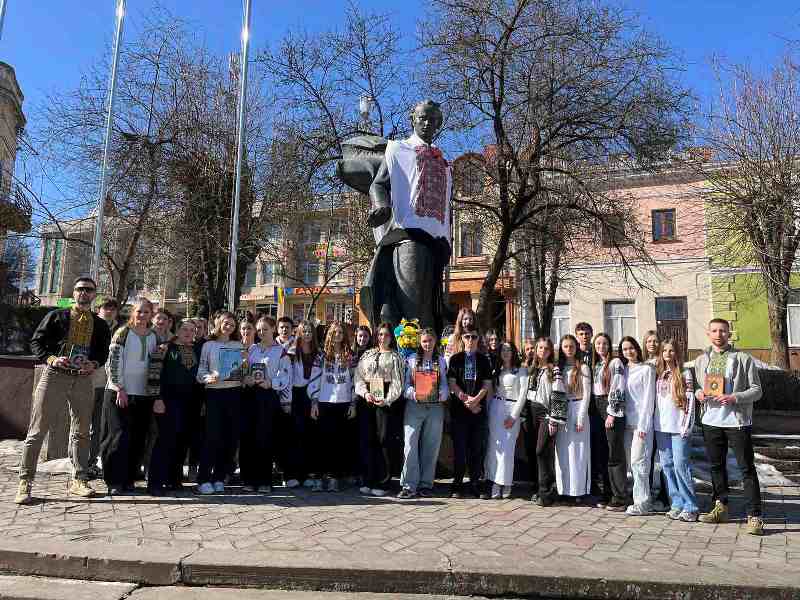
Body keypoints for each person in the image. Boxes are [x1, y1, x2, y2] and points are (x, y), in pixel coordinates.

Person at [16, 277, 111, 505]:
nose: (84, 293)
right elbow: (36, 342)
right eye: (80, 289)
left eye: (89, 290)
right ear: (74, 292)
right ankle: (25, 482)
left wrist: (94, 364)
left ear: (94, 295)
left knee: (81, 432)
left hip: (82, 379)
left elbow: (102, 352)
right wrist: (51, 359)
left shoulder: (99, 324)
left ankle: (80, 479)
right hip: (54, 376)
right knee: (38, 430)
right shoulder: (57, 316)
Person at [361, 99, 453, 331]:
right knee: (415, 312)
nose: (427, 123)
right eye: (422, 118)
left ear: (439, 124)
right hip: (409, 239)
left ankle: (425, 362)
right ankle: (412, 359)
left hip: (435, 244)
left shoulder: (444, 163)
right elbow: (378, 185)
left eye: (432, 119)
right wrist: (382, 206)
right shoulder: (399, 149)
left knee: (430, 312)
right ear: (412, 119)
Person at [694, 318, 764, 536]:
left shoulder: (743, 358)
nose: (718, 334)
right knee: (716, 466)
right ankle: (721, 508)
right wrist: (698, 393)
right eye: (714, 331)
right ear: (708, 334)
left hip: (736, 422)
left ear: (729, 333)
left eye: (723, 331)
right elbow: (698, 385)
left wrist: (735, 397)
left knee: (746, 469)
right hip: (710, 421)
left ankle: (755, 516)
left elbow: (757, 390)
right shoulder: (701, 359)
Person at [101, 297, 161, 495]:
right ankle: (113, 481)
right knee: (118, 437)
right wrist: (119, 387)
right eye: (139, 311)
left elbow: (156, 363)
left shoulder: (153, 335)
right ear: (132, 312)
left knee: (137, 439)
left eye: (146, 312)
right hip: (120, 392)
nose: (142, 315)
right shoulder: (123, 332)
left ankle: (128, 479)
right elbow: (113, 362)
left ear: (151, 315)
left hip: (143, 394)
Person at [240, 316, 292, 493]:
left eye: (265, 329)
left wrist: (271, 383)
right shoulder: (252, 348)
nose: (262, 333)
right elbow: (244, 369)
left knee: (265, 438)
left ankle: (264, 480)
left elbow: (285, 376)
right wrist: (246, 378)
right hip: (250, 396)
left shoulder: (280, 351)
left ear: (273, 329)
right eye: (259, 330)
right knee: (248, 438)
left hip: (268, 397)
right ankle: (248, 479)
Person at [147, 318, 199, 495]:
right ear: (177, 330)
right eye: (185, 329)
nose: (188, 333)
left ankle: (174, 479)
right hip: (167, 401)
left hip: (189, 403)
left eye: (192, 330)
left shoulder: (195, 350)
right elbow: (154, 373)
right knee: (165, 441)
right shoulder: (164, 348)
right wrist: (157, 398)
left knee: (181, 442)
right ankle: (155, 482)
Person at [196, 311, 244, 495]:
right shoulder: (209, 345)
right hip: (214, 393)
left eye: (232, 324)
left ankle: (219, 477)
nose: (229, 326)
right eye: (226, 323)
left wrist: (245, 370)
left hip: (234, 393)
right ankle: (203, 478)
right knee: (212, 437)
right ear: (218, 324)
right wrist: (209, 378)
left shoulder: (238, 345)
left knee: (229, 438)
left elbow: (243, 369)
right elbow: (201, 370)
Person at [354, 323, 405, 496]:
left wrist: (387, 399)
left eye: (387, 335)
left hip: (385, 402)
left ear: (391, 337)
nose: (383, 338)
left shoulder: (395, 357)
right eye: (380, 334)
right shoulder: (368, 354)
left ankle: (382, 482)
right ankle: (368, 479)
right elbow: (358, 377)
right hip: (367, 399)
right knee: (367, 439)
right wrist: (364, 393)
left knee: (383, 440)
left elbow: (398, 383)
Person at [398, 327, 449, 498]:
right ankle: (409, 484)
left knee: (431, 445)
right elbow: (406, 385)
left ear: (435, 342)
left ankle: (426, 484)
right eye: (424, 341)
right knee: (410, 443)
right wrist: (414, 393)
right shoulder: (412, 360)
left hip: (435, 407)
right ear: (420, 342)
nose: (427, 344)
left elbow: (444, 385)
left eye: (430, 340)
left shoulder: (441, 361)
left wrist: (441, 395)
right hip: (415, 406)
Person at [308, 321, 356, 492]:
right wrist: (314, 402)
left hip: (343, 403)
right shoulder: (322, 355)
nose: (337, 335)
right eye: (334, 332)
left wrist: (353, 403)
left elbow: (354, 381)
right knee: (322, 442)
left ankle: (335, 478)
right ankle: (320, 478)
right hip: (324, 402)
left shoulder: (350, 355)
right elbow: (314, 379)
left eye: (341, 333)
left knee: (339, 443)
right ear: (329, 334)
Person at [654, 339, 698, 522]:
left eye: (671, 351)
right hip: (661, 427)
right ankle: (676, 503)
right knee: (667, 466)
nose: (668, 354)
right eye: (665, 350)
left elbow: (689, 402)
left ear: (677, 353)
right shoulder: (660, 374)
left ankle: (691, 506)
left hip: (679, 427)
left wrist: (686, 425)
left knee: (681, 465)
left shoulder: (685, 373)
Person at [447, 326, 493, 499]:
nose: (471, 340)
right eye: (467, 337)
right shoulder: (455, 359)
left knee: (476, 448)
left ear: (478, 339)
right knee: (459, 448)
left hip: (478, 410)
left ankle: (475, 483)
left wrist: (476, 401)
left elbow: (487, 384)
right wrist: (466, 400)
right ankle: (457, 484)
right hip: (460, 410)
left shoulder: (483, 360)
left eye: (474, 337)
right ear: (462, 339)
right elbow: (452, 383)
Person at [614, 336, 656, 516]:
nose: (628, 352)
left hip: (641, 424)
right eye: (624, 349)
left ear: (637, 349)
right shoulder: (622, 370)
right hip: (625, 423)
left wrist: (643, 426)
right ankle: (637, 498)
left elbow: (648, 400)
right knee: (632, 465)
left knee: (640, 463)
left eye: (631, 348)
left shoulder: (646, 369)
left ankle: (643, 503)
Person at [515, 337, 557, 505]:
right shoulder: (531, 369)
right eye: (540, 348)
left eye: (546, 348)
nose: (542, 351)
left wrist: (554, 418)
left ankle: (547, 490)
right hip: (530, 410)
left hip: (545, 412)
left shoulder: (553, 370)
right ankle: (539, 488)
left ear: (550, 351)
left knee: (542, 450)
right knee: (533, 450)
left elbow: (557, 395)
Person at [553, 335, 592, 501]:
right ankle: (565, 490)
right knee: (563, 451)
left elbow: (587, 394)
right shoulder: (558, 368)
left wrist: (581, 417)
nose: (569, 349)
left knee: (579, 452)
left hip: (578, 408)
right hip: (563, 409)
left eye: (571, 346)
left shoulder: (583, 368)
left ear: (576, 348)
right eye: (565, 346)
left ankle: (578, 491)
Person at [88, 297, 121, 479]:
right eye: (106, 308)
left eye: (113, 308)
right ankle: (85, 463)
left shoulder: (121, 329)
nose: (109, 311)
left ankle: (96, 461)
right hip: (92, 380)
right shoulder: (91, 325)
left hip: (112, 384)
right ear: (98, 309)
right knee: (86, 425)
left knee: (102, 425)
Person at [485, 341, 523, 499]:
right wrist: (488, 411)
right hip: (496, 409)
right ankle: (495, 482)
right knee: (494, 448)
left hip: (511, 409)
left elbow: (522, 395)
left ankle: (506, 482)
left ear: (514, 352)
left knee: (507, 449)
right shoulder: (496, 370)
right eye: (503, 350)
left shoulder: (521, 370)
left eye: (509, 350)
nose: (506, 352)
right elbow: (490, 392)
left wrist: (514, 416)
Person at [287, 320, 320, 489]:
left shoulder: (318, 353)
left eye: (310, 331)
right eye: (304, 331)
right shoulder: (291, 352)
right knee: (295, 435)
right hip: (295, 396)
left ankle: (306, 474)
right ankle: (292, 474)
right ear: (299, 333)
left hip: (312, 397)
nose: (307, 334)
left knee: (309, 435)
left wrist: (315, 400)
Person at [589, 333, 614, 507]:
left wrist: (611, 412)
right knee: (601, 452)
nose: (601, 346)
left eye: (604, 343)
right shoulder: (596, 365)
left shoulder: (613, 363)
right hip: (596, 406)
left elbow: (616, 388)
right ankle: (605, 491)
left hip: (607, 403)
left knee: (610, 451)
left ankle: (612, 492)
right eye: (598, 343)